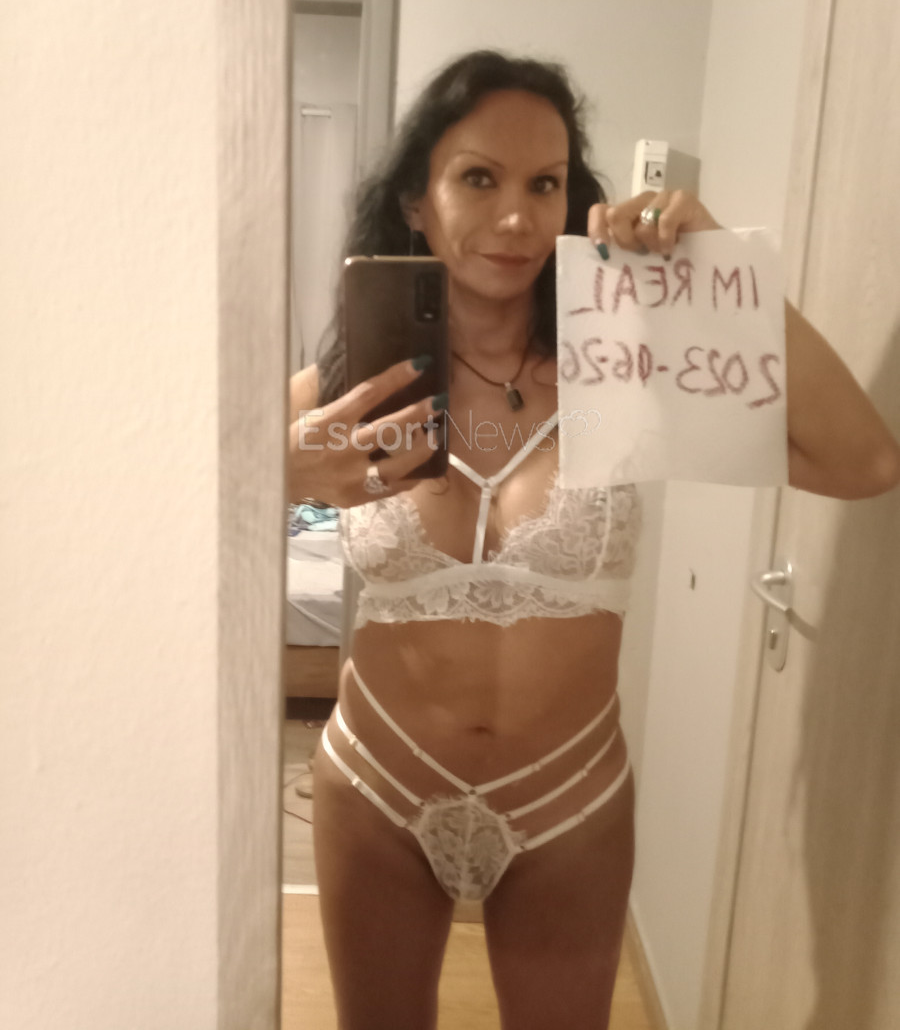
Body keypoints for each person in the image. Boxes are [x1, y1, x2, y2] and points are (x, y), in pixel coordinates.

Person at [287, 50, 900, 1030]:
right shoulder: (355, 383)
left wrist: (720, 277)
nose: (517, 218)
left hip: (567, 798)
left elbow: (863, 460)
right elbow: (169, 507)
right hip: (377, 786)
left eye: (545, 183)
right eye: (478, 178)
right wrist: (277, 474)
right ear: (414, 201)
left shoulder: (630, 368)